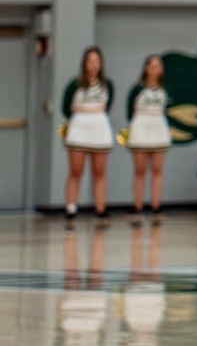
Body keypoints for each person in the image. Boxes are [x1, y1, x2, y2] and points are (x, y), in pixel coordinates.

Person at [61, 46, 114, 225]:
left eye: (96, 61)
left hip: (99, 129)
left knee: (99, 172)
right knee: (76, 171)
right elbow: (65, 108)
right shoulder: (74, 85)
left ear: (101, 64)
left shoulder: (108, 85)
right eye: (90, 61)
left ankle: (100, 209)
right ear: (84, 63)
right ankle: (70, 208)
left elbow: (109, 106)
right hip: (78, 130)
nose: (93, 65)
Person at [123, 54, 173, 222]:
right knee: (139, 171)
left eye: (158, 66)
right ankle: (137, 206)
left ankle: (156, 206)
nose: (155, 70)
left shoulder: (165, 89)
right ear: (146, 68)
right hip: (140, 128)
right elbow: (129, 111)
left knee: (157, 170)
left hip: (158, 129)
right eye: (152, 66)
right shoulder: (137, 89)